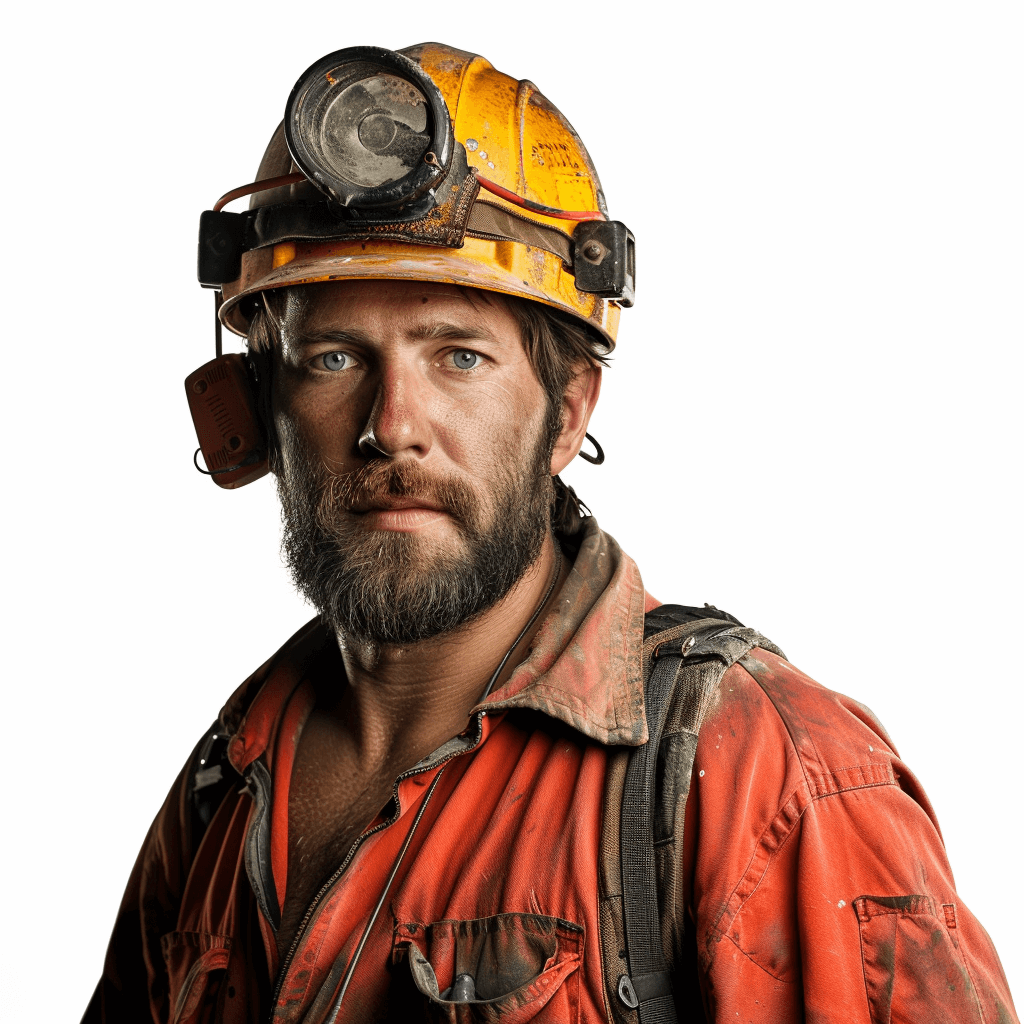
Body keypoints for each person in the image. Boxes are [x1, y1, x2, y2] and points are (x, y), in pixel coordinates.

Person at [85, 42, 1018, 1024]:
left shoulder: (760, 775)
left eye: (458, 356)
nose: (391, 423)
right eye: (331, 356)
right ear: (254, 403)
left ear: (568, 411)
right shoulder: (223, 787)